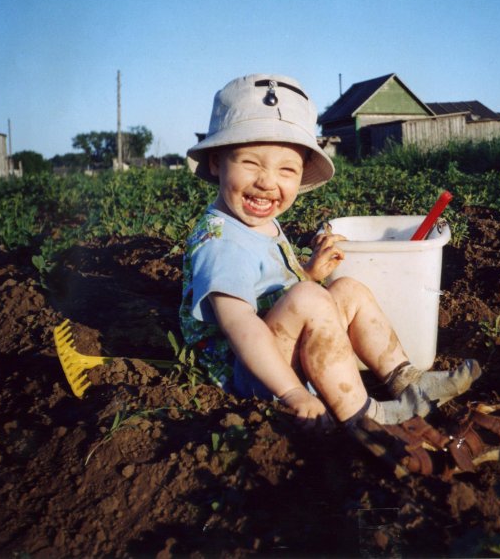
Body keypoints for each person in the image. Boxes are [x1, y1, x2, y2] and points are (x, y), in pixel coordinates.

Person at [180, 74, 480, 430]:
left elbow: (267, 290)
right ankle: (363, 412)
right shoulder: (221, 243)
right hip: (253, 372)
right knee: (309, 298)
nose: (267, 181)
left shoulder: (256, 221)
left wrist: (307, 274)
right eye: (250, 163)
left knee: (347, 290)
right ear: (216, 162)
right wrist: (293, 392)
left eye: (286, 170)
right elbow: (242, 326)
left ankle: (406, 379)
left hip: (278, 345)